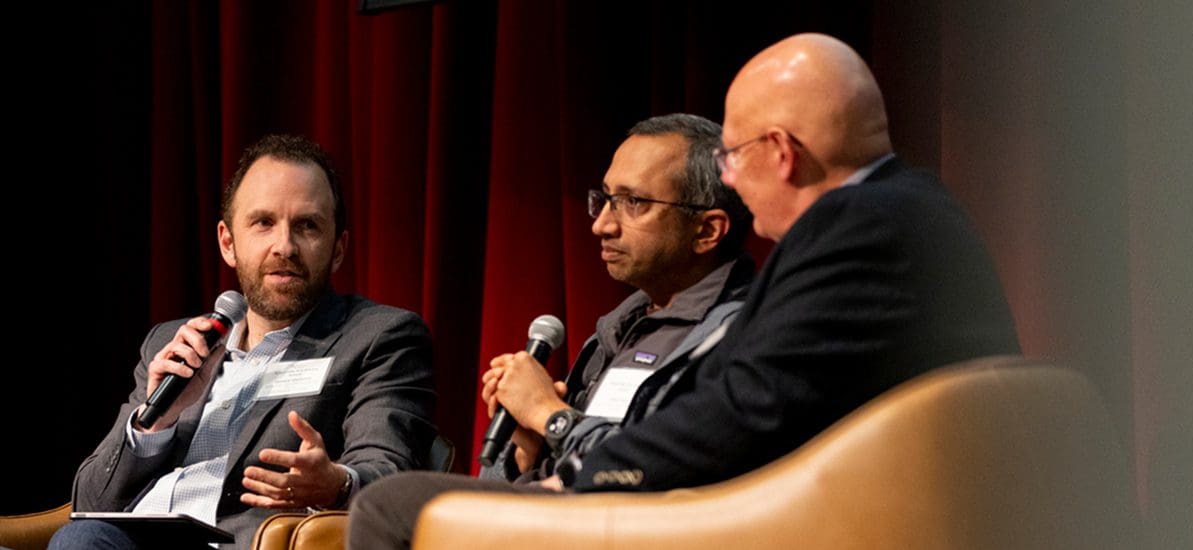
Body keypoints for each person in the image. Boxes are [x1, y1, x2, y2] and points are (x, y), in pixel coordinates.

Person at [570, 33, 1021, 492]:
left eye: (732, 155)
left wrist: (581, 477)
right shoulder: (908, 209)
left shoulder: (860, 228)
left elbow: (748, 410)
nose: (727, 177)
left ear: (782, 153)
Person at [345, 113, 754, 550]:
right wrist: (528, 446)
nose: (602, 224)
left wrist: (548, 414)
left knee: (390, 506)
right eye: (606, 198)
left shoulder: (737, 333)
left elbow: (659, 467)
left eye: (634, 202)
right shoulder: (620, 328)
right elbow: (509, 480)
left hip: (636, 526)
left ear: (707, 230)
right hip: (567, 516)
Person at [51, 134, 438, 550]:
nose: (284, 247)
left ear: (338, 249)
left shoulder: (380, 337)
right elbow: (89, 500)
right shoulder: (174, 344)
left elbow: (388, 474)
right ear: (228, 243)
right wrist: (153, 423)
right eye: (263, 223)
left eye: (307, 225)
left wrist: (337, 485)